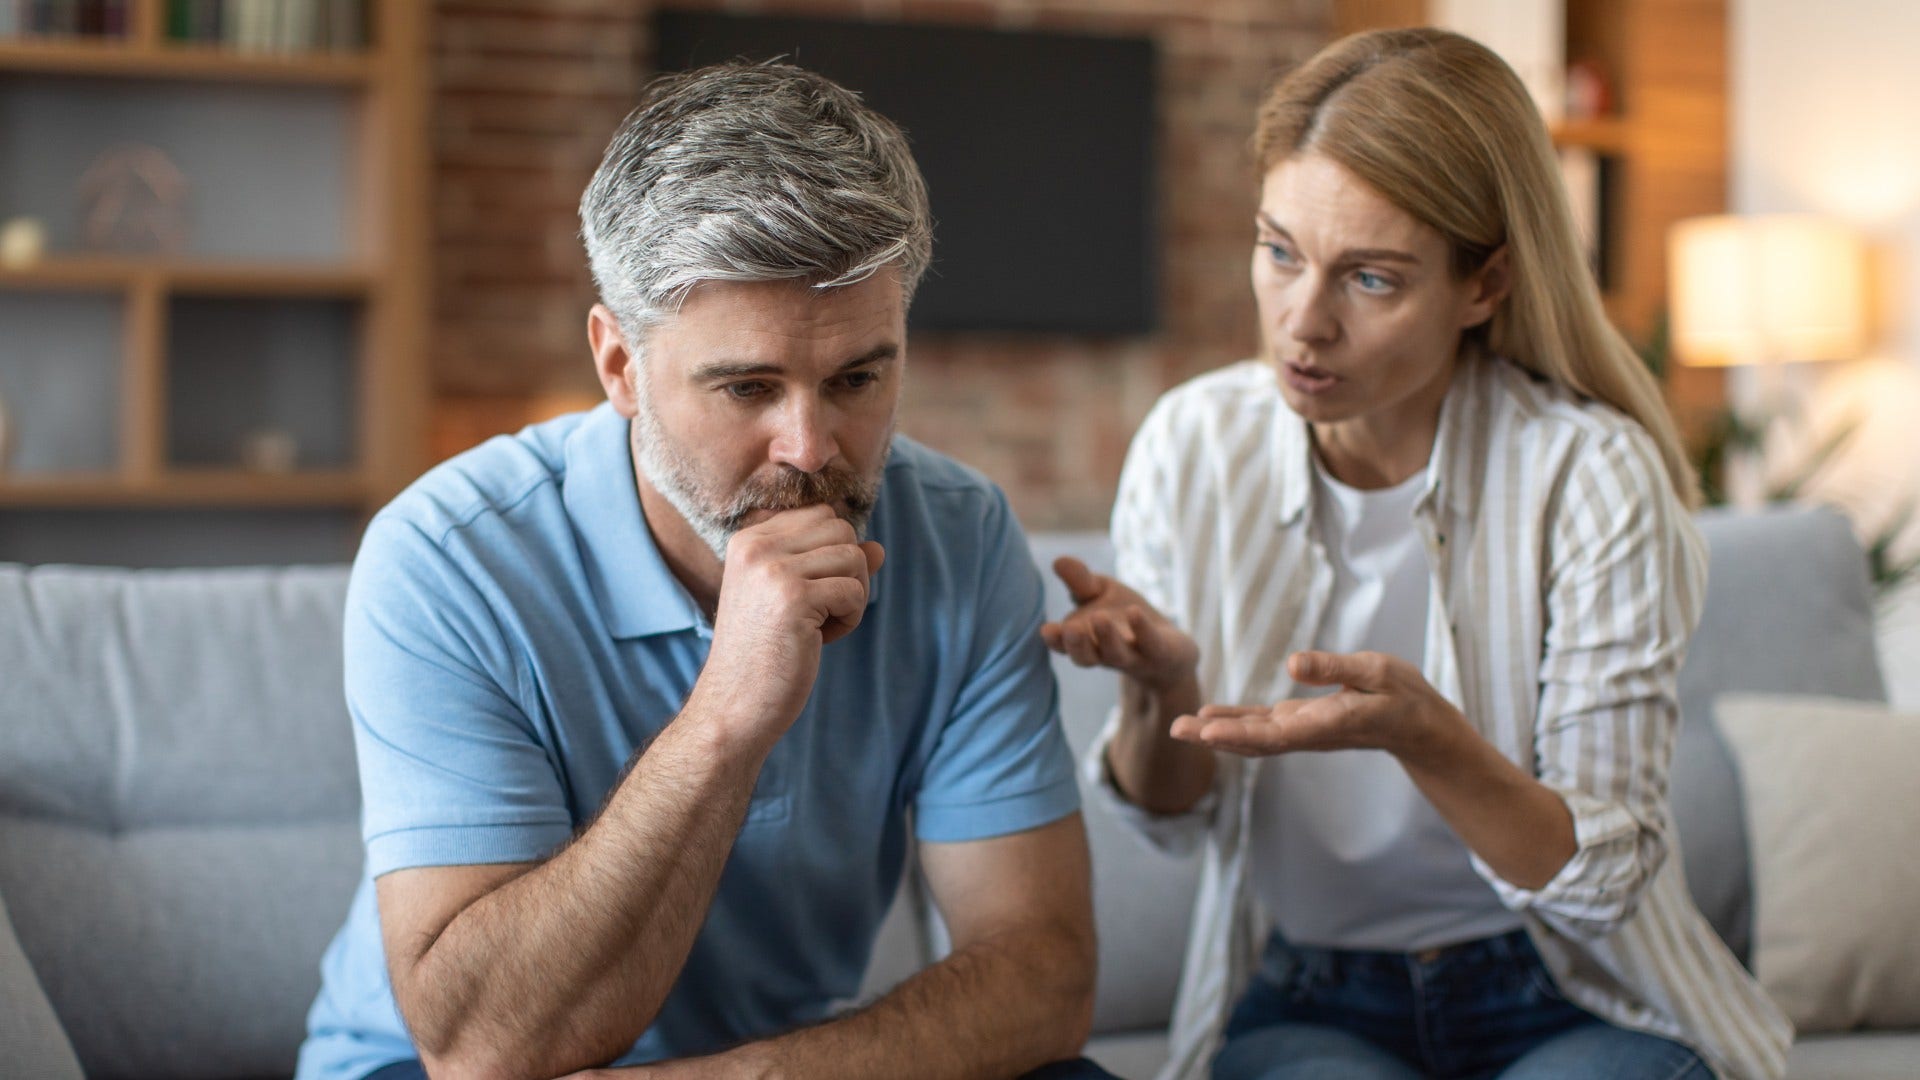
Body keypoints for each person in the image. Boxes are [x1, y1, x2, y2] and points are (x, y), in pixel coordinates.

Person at [295, 62, 1114, 1080]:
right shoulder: (449, 559)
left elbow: (1043, 975)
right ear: (619, 365)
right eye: (747, 388)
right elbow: (484, 1048)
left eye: (859, 377)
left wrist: (762, 1078)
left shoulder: (960, 536)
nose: (812, 449)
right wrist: (728, 716)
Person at [1043, 27, 1791, 1080]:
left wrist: (1428, 738)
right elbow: (1172, 826)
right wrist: (1161, 691)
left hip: (1567, 990)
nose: (1302, 324)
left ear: (1483, 285)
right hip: (1312, 995)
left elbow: (1607, 878)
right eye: (1279, 251)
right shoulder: (1193, 443)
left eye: (1372, 280)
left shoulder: (1589, 474)